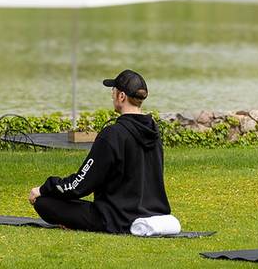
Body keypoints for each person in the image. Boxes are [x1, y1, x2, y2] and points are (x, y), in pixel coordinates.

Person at [26, 69, 170, 232]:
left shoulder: (113, 134)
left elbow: (80, 184)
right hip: (152, 215)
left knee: (44, 202)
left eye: (113, 91)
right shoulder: (154, 132)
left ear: (121, 96)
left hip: (115, 219)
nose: (111, 95)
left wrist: (45, 188)